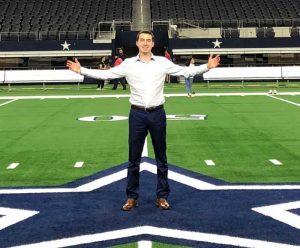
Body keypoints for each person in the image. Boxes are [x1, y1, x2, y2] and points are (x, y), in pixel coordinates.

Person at [66, 31, 220, 211]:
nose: (145, 43)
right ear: (137, 43)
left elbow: (186, 71)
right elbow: (107, 75)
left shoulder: (162, 62)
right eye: (142, 40)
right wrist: (81, 70)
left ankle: (162, 197)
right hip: (137, 114)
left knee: (161, 158)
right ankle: (132, 197)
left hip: (157, 114)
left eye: (149, 40)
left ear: (153, 44)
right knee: (134, 159)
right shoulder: (128, 64)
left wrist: (206, 67)